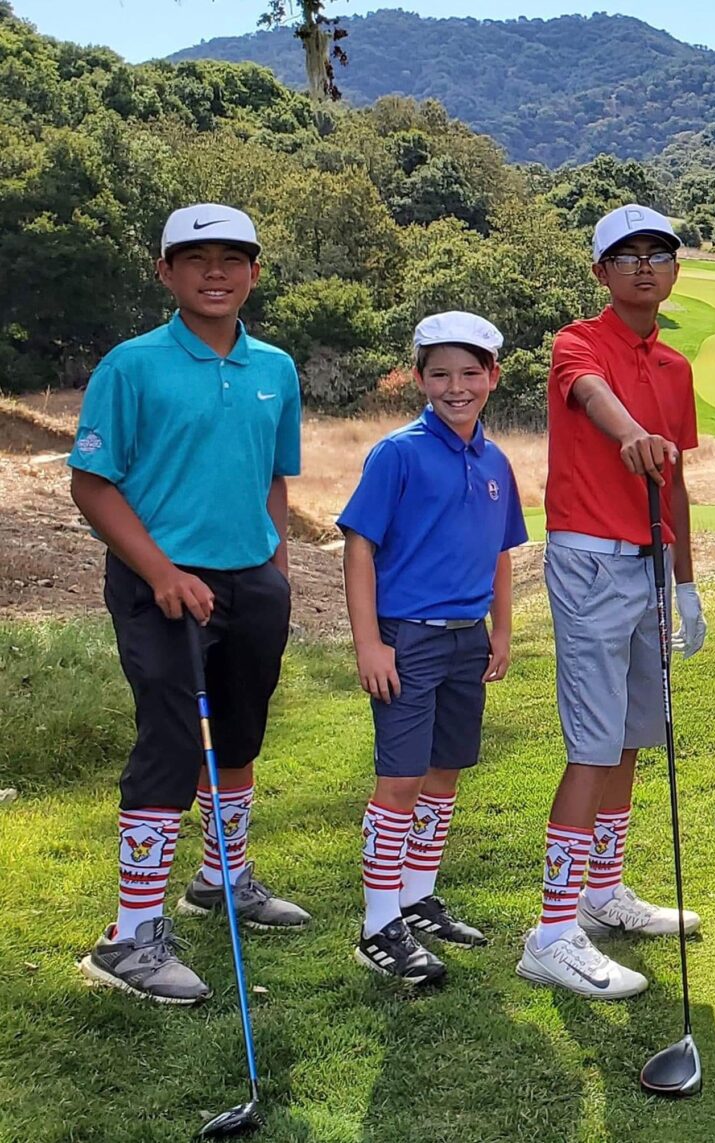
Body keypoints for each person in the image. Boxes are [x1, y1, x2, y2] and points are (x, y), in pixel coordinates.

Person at [72, 204, 309, 1005]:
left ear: (254, 271)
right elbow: (92, 483)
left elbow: (275, 477)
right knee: (173, 740)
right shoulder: (131, 365)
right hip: (158, 580)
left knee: (239, 735)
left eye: (232, 258)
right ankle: (129, 936)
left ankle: (221, 877)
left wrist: (274, 565)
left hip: (252, 579)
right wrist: (163, 571)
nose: (216, 272)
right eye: (195, 257)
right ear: (165, 270)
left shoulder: (275, 367)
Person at [518, 205, 708, 1001]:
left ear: (672, 270)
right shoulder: (576, 342)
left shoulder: (675, 367)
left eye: (656, 253)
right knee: (593, 744)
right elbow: (593, 398)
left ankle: (603, 890)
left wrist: (689, 581)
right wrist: (630, 431)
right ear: (601, 272)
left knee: (632, 735)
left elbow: (678, 482)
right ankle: (552, 931)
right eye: (624, 255)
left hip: (650, 565)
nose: (642, 266)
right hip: (590, 562)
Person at [338, 312, 527, 986]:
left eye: (470, 373)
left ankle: (416, 896)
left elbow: (500, 553)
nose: (457, 386)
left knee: (445, 771)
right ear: (418, 378)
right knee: (400, 780)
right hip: (407, 637)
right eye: (440, 373)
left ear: (493, 377)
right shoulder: (397, 453)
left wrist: (501, 630)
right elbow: (359, 546)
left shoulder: (496, 459)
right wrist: (369, 643)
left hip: (465, 640)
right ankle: (377, 922)